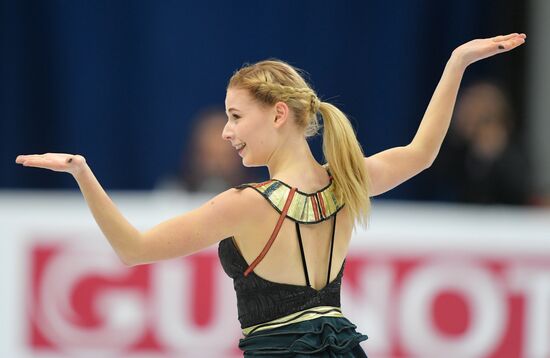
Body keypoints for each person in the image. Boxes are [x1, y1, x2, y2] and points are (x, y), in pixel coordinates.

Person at [15, 33, 526, 357]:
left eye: (236, 116)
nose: (225, 132)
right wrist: (458, 61)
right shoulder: (346, 182)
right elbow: (423, 152)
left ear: (278, 114)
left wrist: (83, 174)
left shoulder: (244, 204)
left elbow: (133, 249)